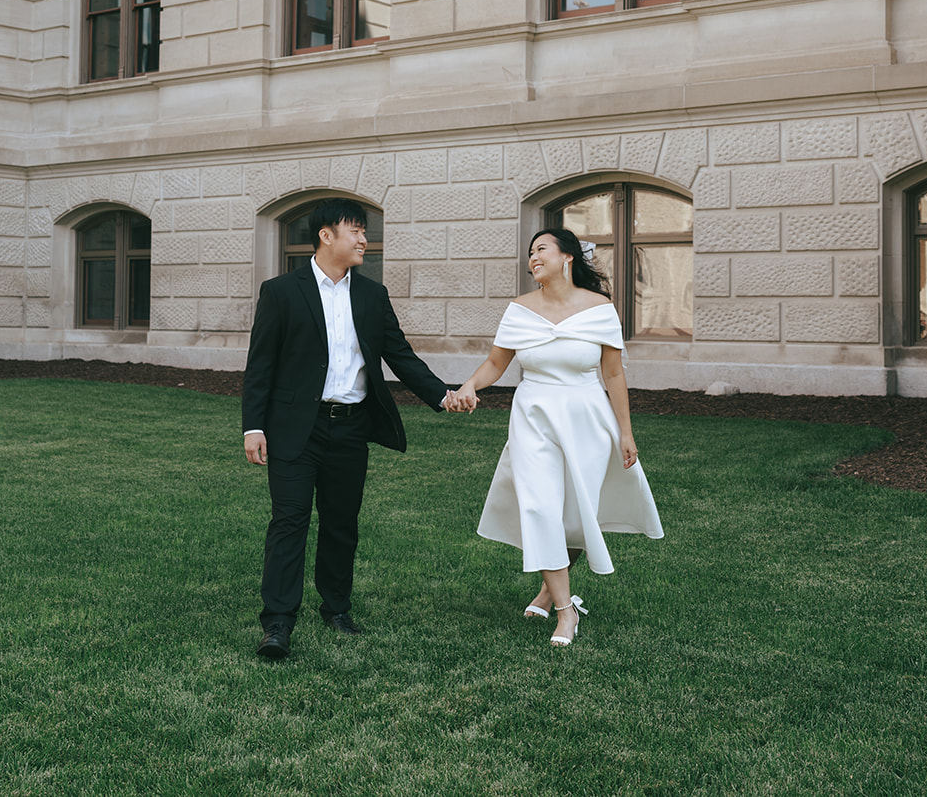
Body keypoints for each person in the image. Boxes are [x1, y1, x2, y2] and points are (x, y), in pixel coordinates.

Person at [241, 198, 455, 660]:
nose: (364, 239)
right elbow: (261, 365)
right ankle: (277, 622)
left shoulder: (372, 295)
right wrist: (253, 426)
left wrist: (442, 395)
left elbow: (400, 356)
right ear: (325, 236)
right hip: (295, 428)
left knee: (341, 524)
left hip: (351, 428)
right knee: (289, 521)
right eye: (355, 230)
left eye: (365, 231)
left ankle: (336, 607)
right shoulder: (280, 291)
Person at [445, 228, 663, 647]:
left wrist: (626, 433)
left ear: (567, 257)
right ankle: (566, 613)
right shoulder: (519, 310)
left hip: (587, 419)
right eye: (529, 253)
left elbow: (613, 373)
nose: (533, 258)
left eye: (541, 249)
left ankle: (550, 590)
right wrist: (470, 385)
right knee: (541, 507)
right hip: (534, 417)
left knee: (579, 517)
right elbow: (496, 362)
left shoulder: (600, 309)